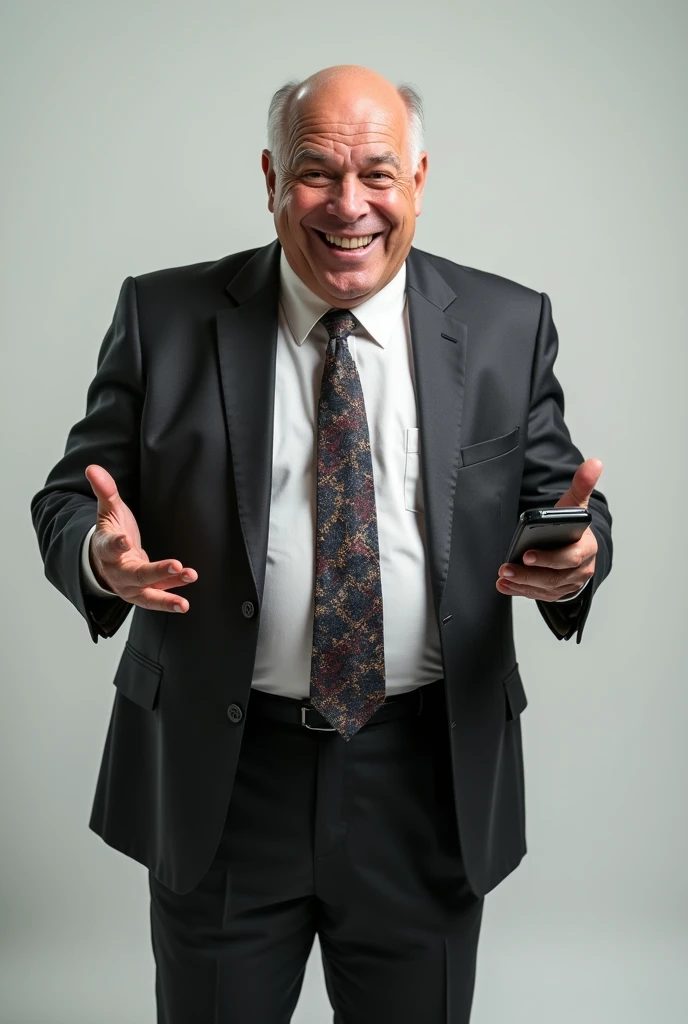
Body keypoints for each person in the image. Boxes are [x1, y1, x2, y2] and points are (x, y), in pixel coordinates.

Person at [30, 64, 613, 1024]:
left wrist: (579, 557)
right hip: (224, 776)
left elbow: (567, 506)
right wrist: (100, 556)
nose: (350, 206)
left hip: (424, 777)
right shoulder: (165, 317)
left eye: (378, 175)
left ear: (419, 180)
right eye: (316, 174)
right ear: (270, 178)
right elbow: (69, 498)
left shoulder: (509, 325)